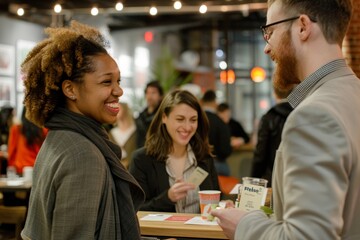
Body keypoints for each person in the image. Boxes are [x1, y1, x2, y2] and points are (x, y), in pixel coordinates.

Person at [211, 0, 360, 239]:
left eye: (270, 32)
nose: (266, 48)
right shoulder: (352, 95)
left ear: (302, 26)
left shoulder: (314, 116)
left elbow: (307, 236)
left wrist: (245, 225)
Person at [20, 21, 144, 239]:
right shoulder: (83, 154)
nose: (119, 90)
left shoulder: (60, 137)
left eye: (118, 81)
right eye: (107, 82)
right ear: (70, 89)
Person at [129, 90, 219, 213]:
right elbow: (134, 210)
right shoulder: (141, 159)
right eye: (180, 119)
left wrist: (224, 206)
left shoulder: (204, 157)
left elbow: (215, 200)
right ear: (164, 118)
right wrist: (168, 198)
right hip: (161, 232)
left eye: (193, 120)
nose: (187, 127)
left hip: (200, 232)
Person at [251, 87, 292, 187]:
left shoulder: (268, 117)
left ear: (274, 94)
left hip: (272, 176)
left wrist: (254, 179)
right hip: (294, 175)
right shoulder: (300, 114)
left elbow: (260, 153)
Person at [7, 106, 48, 175]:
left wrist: (11, 168)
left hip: (20, 168)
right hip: (38, 169)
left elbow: (11, 151)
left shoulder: (16, 129)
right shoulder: (44, 130)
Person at [201, 90, 232, 176]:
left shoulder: (196, 120)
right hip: (218, 164)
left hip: (197, 165)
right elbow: (225, 150)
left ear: (202, 101)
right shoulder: (220, 122)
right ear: (215, 102)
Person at [135, 80, 164, 148]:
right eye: (147, 93)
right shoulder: (140, 117)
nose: (150, 96)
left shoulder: (163, 116)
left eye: (153, 93)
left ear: (160, 96)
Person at [109, 102, 137, 169]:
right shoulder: (112, 133)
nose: (116, 110)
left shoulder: (136, 130)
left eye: (119, 108)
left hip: (134, 169)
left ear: (125, 109)